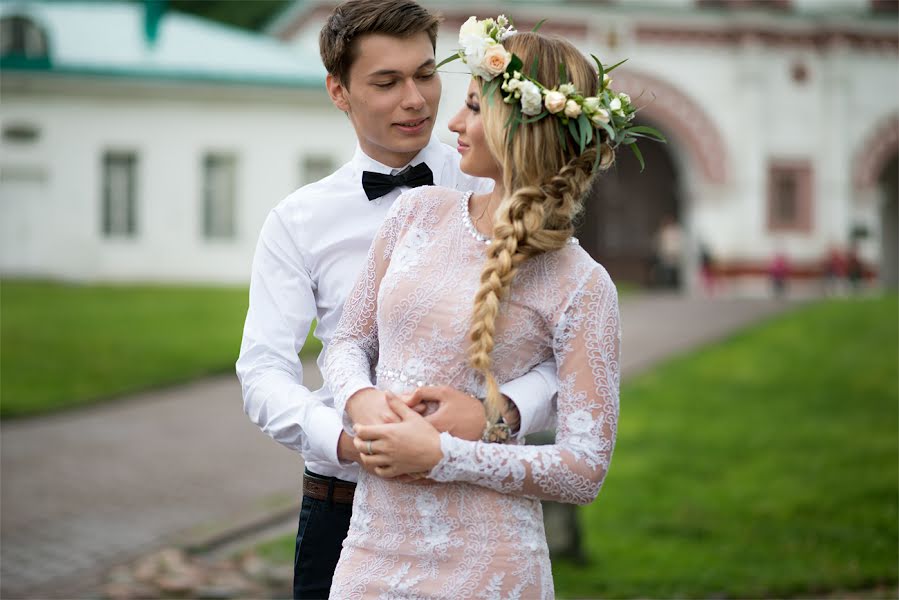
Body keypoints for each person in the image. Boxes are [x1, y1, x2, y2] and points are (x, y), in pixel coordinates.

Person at [323, 17, 661, 597]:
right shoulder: (416, 213)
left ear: (519, 128)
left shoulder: (582, 284)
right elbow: (347, 340)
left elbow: (584, 468)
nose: (452, 121)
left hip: (487, 564)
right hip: (370, 549)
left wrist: (444, 454)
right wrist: (362, 398)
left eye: (475, 107)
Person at [235, 2, 559, 598]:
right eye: (386, 82)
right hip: (343, 505)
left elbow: (567, 355)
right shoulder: (298, 221)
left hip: (475, 504)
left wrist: (502, 411)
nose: (416, 100)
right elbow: (262, 369)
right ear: (339, 91)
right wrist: (341, 436)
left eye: (427, 74)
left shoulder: (503, 189)